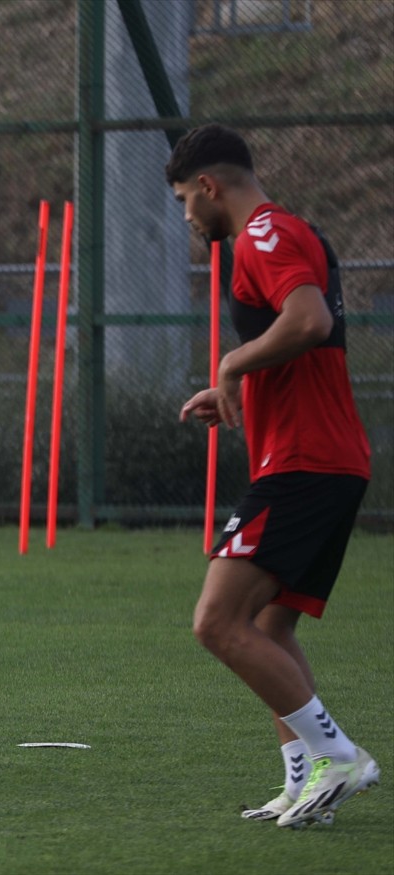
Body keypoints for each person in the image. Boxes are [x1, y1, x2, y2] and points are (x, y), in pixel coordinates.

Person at [166, 124, 378, 828]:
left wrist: (230, 363)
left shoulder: (262, 235)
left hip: (305, 464)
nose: (187, 217)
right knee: (267, 624)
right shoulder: (283, 233)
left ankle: (337, 754)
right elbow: (298, 340)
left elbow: (309, 319)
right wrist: (237, 384)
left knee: (216, 620)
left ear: (208, 186)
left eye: (182, 201)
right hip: (324, 459)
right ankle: (302, 781)